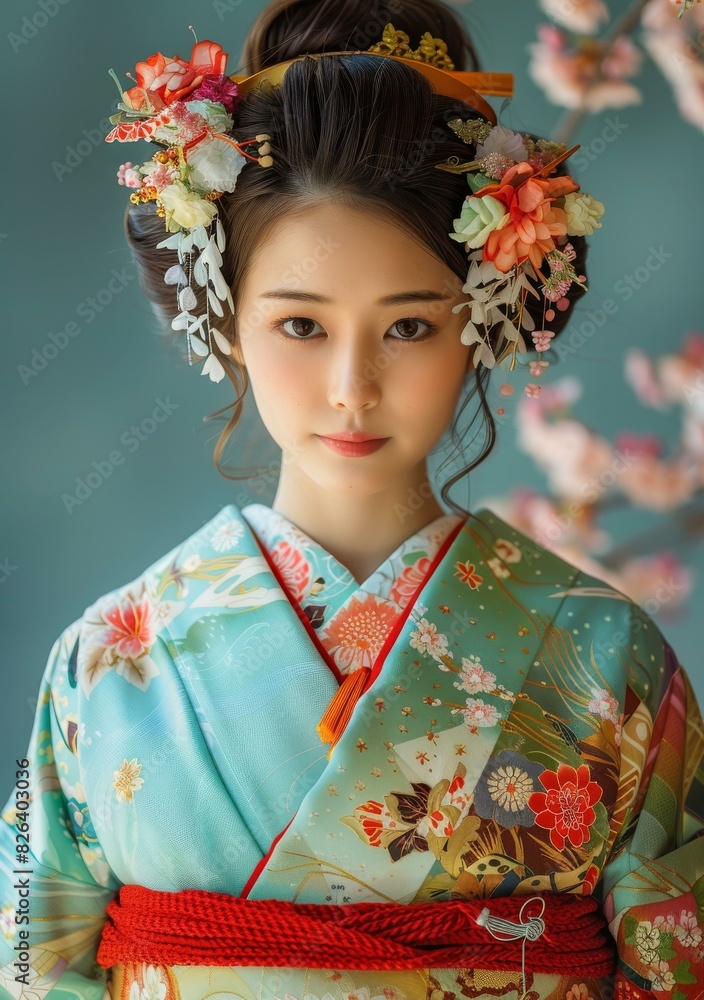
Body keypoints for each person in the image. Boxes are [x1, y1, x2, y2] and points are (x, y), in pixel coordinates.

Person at [1, 1, 703, 998]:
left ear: (485, 320)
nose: (350, 386)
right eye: (298, 325)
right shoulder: (107, 660)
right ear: (224, 319)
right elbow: (25, 956)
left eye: (409, 327)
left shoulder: (603, 655)